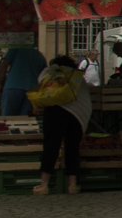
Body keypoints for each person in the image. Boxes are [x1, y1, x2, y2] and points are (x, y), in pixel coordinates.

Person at [30, 54, 91, 194]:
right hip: (78, 114)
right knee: (72, 147)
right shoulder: (77, 76)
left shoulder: (52, 72)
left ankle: (44, 185)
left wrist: (53, 66)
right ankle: (72, 185)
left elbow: (41, 79)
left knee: (51, 146)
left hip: (55, 111)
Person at [0, 40, 48, 117]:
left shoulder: (15, 49)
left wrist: (0, 83)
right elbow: (44, 75)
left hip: (13, 87)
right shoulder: (40, 56)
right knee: (25, 120)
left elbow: (4, 65)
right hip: (32, 92)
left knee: (7, 119)